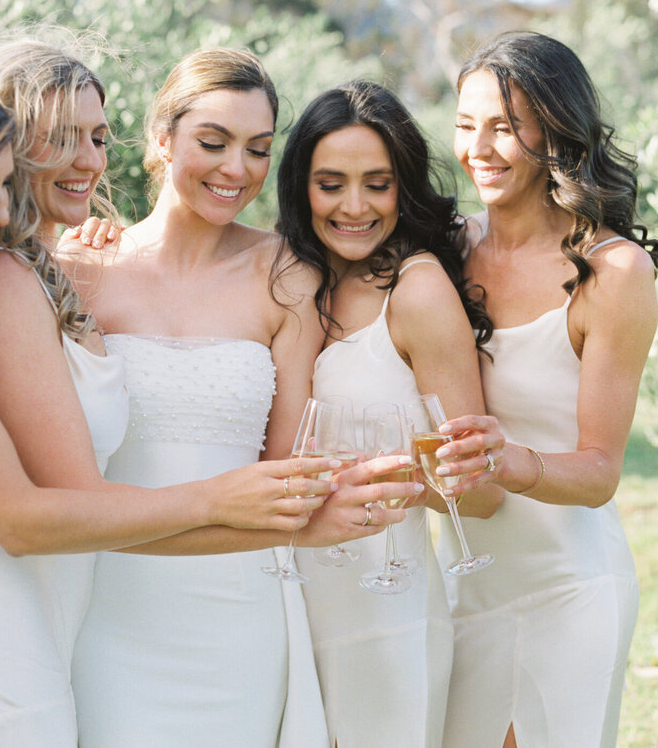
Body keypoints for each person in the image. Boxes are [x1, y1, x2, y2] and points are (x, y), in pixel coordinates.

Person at [0, 48, 362, 747]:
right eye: (62, 137)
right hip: (47, 616)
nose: (87, 159)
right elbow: (42, 507)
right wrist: (237, 505)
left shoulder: (50, 271)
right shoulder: (32, 274)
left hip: (131, 607)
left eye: (97, 137)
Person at [61, 48, 413, 748]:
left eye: (257, 149)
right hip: (106, 602)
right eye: (213, 142)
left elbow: (288, 472)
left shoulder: (287, 276)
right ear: (162, 139)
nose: (236, 170)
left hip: (239, 607)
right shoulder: (82, 268)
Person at [436, 30, 658, 748]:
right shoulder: (439, 248)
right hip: (455, 585)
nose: (479, 148)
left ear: (557, 132)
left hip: (570, 586)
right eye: (467, 125)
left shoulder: (613, 272)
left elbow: (600, 470)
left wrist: (509, 461)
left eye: (505, 128)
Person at [274, 79, 502, 748]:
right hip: (288, 594)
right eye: (330, 182)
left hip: (381, 606)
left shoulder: (419, 288)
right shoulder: (291, 271)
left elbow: (479, 495)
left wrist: (397, 475)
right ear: (299, 186)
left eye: (377, 183)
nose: (354, 206)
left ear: (404, 186)